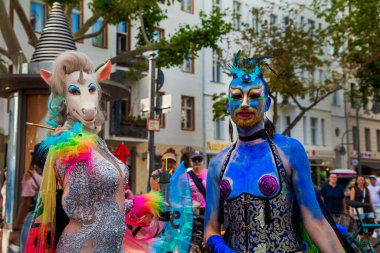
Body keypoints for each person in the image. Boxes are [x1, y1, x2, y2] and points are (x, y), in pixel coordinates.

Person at [204, 52, 345, 252]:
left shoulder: (288, 151)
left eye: (254, 96)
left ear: (267, 104)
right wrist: (219, 245)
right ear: (228, 105)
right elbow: (210, 227)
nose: (244, 103)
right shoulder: (218, 163)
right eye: (236, 97)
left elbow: (316, 222)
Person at [26, 51, 163, 253]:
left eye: (91, 89)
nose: (86, 99)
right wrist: (68, 150)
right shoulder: (68, 145)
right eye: (74, 91)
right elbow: (76, 205)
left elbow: (108, 204)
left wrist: (145, 204)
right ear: (63, 98)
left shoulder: (98, 142)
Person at [9, 144, 45, 252]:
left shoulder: (30, 176)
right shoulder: (50, 176)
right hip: (47, 220)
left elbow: (25, 204)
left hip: (32, 219)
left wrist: (16, 228)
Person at [187, 150, 207, 253]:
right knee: (193, 241)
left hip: (207, 212)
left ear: (203, 160)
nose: (197, 162)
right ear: (190, 161)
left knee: (207, 241)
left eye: (199, 159)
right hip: (192, 213)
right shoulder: (186, 176)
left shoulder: (209, 174)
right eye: (194, 159)